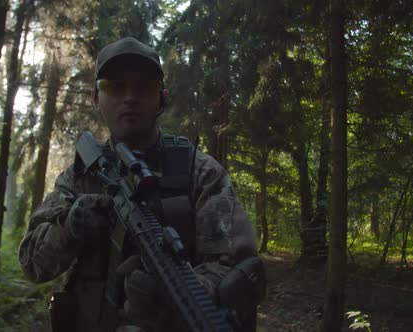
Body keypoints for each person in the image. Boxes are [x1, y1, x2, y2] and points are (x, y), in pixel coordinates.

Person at [19, 37, 264, 332]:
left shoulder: (200, 173)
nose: (130, 97)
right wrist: (68, 229)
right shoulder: (80, 178)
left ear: (161, 97)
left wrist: (177, 295)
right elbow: (32, 263)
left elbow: (238, 269)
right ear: (95, 97)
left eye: (144, 87)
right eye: (114, 86)